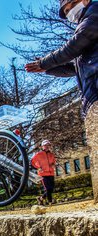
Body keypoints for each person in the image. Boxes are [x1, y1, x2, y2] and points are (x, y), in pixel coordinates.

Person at [25, 0, 98, 203]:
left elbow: (75, 45)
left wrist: (45, 61)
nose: (69, 14)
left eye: (69, 8)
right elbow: (73, 66)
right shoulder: (85, 34)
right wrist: (46, 68)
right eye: (66, 12)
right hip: (91, 95)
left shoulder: (94, 15)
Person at [31, 140, 56, 205]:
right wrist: (38, 168)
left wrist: (53, 165)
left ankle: (41, 198)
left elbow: (53, 162)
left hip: (51, 173)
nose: (47, 146)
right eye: (45, 145)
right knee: (47, 188)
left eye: (48, 145)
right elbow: (32, 162)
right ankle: (50, 202)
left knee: (51, 189)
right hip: (43, 174)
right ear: (42, 146)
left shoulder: (51, 154)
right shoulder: (38, 154)